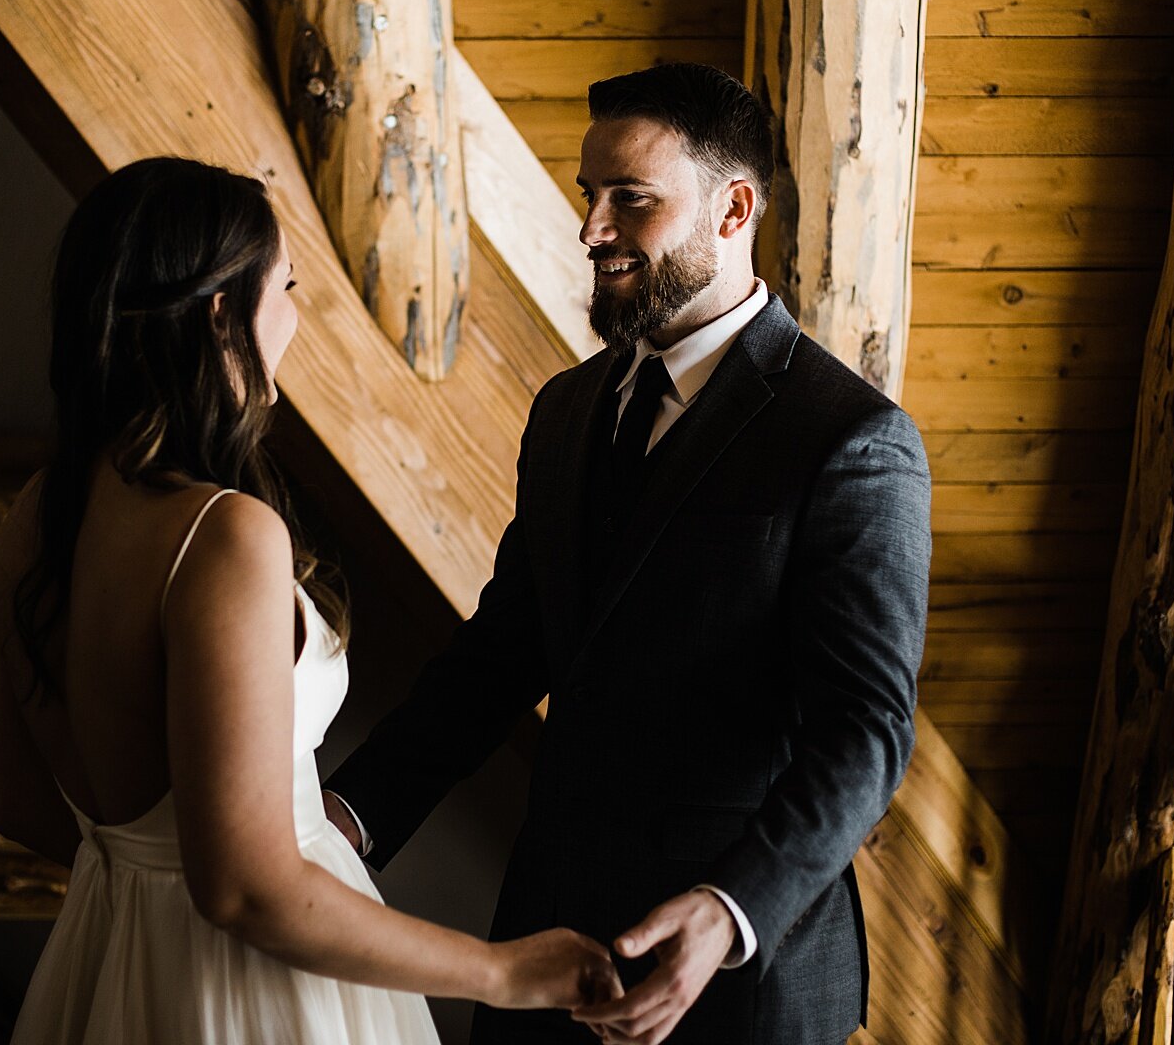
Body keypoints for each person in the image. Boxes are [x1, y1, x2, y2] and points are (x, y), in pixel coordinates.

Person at [324, 64, 933, 1045]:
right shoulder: (568, 410)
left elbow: (864, 732)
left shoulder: (851, 442)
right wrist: (352, 813)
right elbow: (501, 655)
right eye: (588, 196)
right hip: (547, 945)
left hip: (744, 981)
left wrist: (729, 910)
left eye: (631, 201)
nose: (592, 229)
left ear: (734, 209)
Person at [0, 157, 618, 1045]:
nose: (296, 313)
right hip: (252, 992)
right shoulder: (223, 536)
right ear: (219, 313)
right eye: (286, 285)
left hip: (108, 958)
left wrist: (148, 885)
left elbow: (14, 799)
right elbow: (245, 888)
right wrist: (502, 971)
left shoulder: (37, 515)